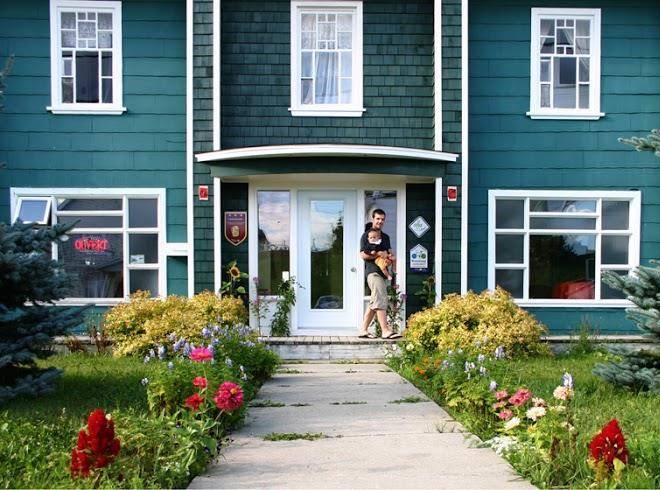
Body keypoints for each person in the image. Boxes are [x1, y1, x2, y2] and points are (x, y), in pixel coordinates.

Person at [357, 209, 402, 340]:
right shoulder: (367, 235)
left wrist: (390, 258)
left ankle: (363, 330)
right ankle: (385, 330)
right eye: (378, 219)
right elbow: (362, 255)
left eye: (382, 219)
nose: (380, 221)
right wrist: (378, 254)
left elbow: (389, 252)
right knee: (381, 297)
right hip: (372, 273)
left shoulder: (386, 237)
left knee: (374, 301)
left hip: (383, 272)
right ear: (373, 219)